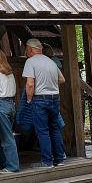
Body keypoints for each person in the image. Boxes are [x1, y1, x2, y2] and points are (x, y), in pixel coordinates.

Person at [22, 38, 65, 168]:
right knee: (55, 129)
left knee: (42, 131)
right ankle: (59, 159)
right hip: (55, 98)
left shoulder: (30, 62)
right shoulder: (51, 62)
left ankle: (47, 161)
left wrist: (29, 99)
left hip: (40, 99)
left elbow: (30, 84)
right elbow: (62, 79)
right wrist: (49, 84)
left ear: (29, 49)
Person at [0, 49, 20, 173]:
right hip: (11, 104)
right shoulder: (10, 73)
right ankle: (1, 163)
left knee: (6, 137)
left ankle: (12, 166)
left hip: (1, 104)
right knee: (6, 135)